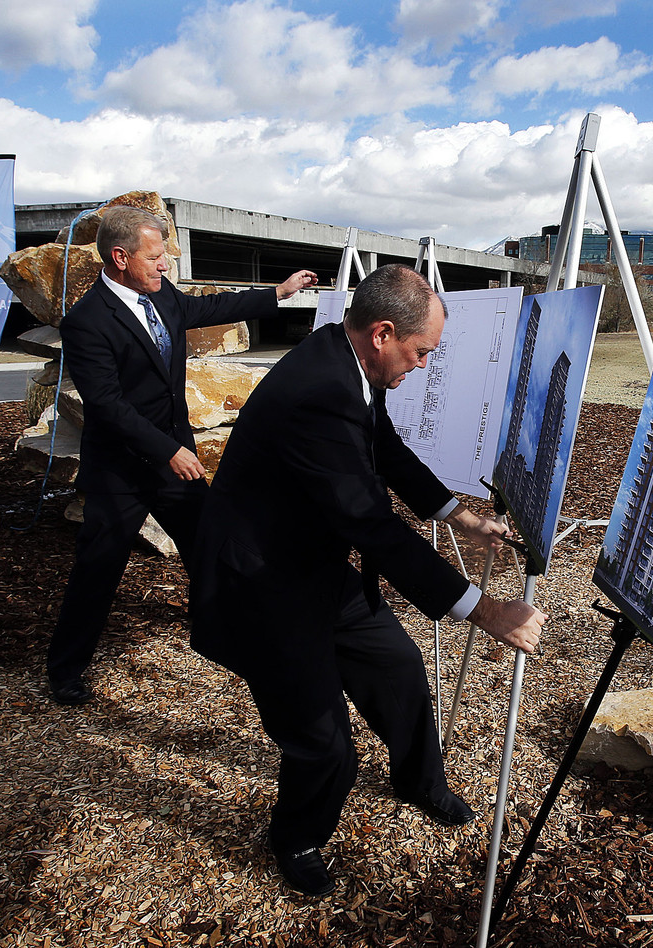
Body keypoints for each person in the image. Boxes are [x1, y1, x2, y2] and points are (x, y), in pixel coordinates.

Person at [190, 263, 545, 897]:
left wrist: (458, 516)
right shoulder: (320, 391)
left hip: (311, 564)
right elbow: (368, 522)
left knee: (399, 668)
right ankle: (296, 837)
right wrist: (486, 611)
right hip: (261, 587)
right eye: (421, 351)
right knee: (325, 744)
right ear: (382, 333)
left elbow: (384, 447)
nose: (424, 365)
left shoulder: (347, 358)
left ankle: (418, 780)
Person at [47, 206, 317, 706]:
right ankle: (65, 670)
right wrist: (166, 449)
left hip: (175, 461)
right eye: (156, 256)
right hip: (121, 472)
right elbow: (106, 405)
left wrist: (276, 294)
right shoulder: (86, 322)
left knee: (209, 545)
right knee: (98, 569)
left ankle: (226, 628)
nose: (166, 264)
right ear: (121, 257)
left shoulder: (162, 294)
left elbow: (207, 308)